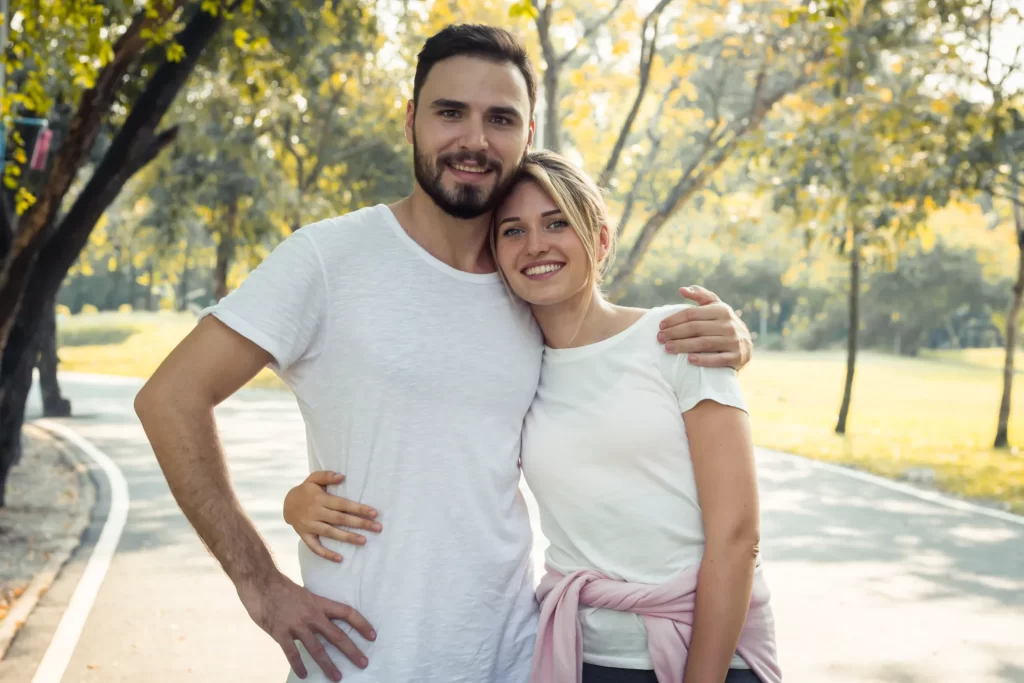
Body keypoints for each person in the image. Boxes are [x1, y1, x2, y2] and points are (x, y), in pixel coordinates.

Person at [134, 24, 753, 683]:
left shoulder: (526, 283)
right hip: (365, 662)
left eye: (500, 118)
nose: (475, 139)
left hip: (517, 660)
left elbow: (607, 368)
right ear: (411, 121)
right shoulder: (329, 259)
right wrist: (260, 583)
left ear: (527, 133)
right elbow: (170, 398)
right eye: (450, 112)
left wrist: (732, 336)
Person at [285, 151, 780, 683]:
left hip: (709, 656)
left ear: (601, 239)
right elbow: (436, 465)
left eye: (557, 222)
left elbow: (737, 536)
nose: (536, 245)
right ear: (495, 255)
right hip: (580, 656)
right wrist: (300, 503)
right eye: (513, 231)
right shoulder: (512, 371)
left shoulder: (678, 340)